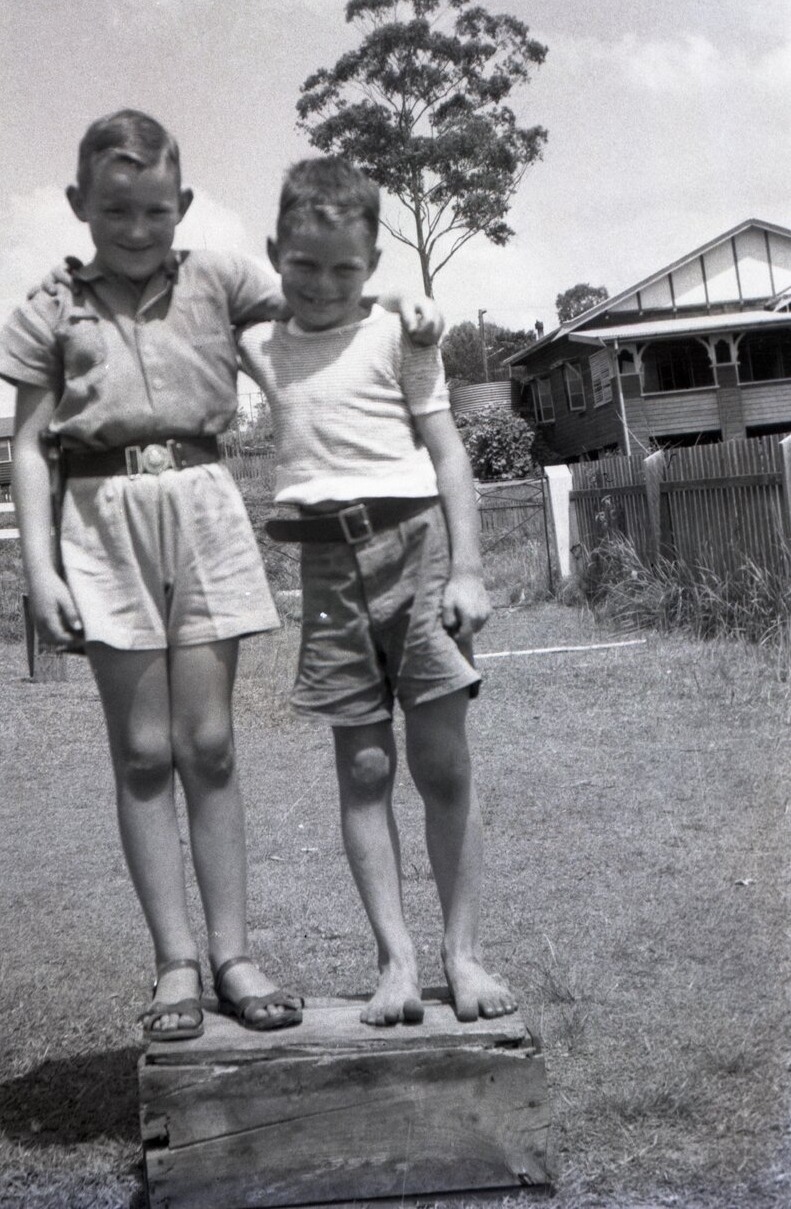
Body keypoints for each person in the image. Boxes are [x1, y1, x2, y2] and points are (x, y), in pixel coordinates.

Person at [0, 109, 438, 1041]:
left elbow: (327, 302)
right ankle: (176, 965)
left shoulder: (220, 278)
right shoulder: (47, 307)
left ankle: (233, 955)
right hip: (101, 523)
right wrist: (40, 569)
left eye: (157, 210)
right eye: (117, 210)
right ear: (81, 205)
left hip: (202, 505)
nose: (139, 229)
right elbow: (30, 447)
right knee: (145, 752)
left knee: (212, 745)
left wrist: (406, 309)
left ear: (182, 205)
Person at [238, 156, 518, 1028]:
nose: (323, 284)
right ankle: (395, 962)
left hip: (419, 552)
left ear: (371, 266)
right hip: (326, 571)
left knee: (440, 763)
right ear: (276, 251)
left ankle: (462, 955)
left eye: (347, 269)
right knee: (362, 767)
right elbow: (201, 298)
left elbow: (447, 455)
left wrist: (468, 569)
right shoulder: (258, 342)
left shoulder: (403, 337)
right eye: (304, 265)